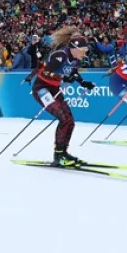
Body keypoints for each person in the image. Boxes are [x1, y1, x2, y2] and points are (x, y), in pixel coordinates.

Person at [31, 27, 96, 167]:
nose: (84, 54)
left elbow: (73, 72)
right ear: (74, 48)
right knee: (63, 118)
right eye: (83, 51)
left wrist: (83, 82)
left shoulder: (75, 59)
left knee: (70, 121)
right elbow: (46, 72)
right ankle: (58, 155)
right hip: (42, 89)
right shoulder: (60, 55)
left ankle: (63, 153)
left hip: (54, 89)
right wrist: (66, 77)